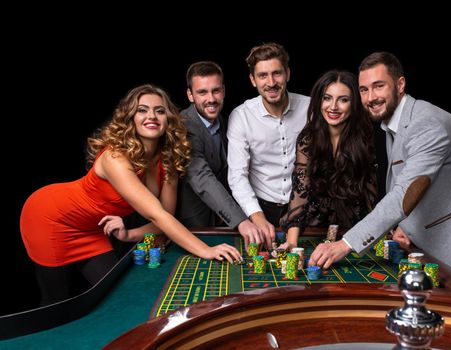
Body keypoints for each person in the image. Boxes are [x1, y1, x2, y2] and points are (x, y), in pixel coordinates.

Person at [20, 84, 241, 305]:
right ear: (131, 118)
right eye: (142, 110)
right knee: (56, 302)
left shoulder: (168, 160)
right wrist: (206, 250)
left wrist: (129, 235)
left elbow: (164, 220)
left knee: (115, 296)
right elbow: (158, 216)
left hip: (90, 229)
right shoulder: (115, 157)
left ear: (169, 119)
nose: (151, 116)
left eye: (160, 110)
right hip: (50, 218)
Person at [309, 52, 451, 278]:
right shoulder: (393, 124)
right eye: (364, 90)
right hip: (432, 242)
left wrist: (345, 244)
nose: (371, 97)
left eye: (379, 86)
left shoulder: (426, 123)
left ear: (400, 84)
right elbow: (413, 182)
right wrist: (405, 226)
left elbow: (406, 192)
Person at [279, 70, 378, 250]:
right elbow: (300, 193)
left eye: (343, 100)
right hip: (314, 228)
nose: (333, 107)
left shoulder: (366, 136)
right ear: (319, 101)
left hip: (354, 232)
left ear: (354, 103)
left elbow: (370, 196)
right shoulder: (308, 138)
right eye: (327, 98)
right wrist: (292, 241)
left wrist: (374, 233)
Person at [227, 42, 310, 248]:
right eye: (263, 76)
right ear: (253, 80)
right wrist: (258, 218)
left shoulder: (311, 108)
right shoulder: (241, 116)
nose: (271, 82)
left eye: (277, 73)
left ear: (287, 74)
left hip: (306, 210)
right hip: (261, 208)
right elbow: (237, 176)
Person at [176, 61, 263, 247]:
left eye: (216, 91)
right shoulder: (182, 126)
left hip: (222, 222)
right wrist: (241, 220)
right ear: (190, 95)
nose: (211, 99)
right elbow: (201, 177)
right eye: (202, 92)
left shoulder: (226, 121)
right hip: (193, 224)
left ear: (223, 91)